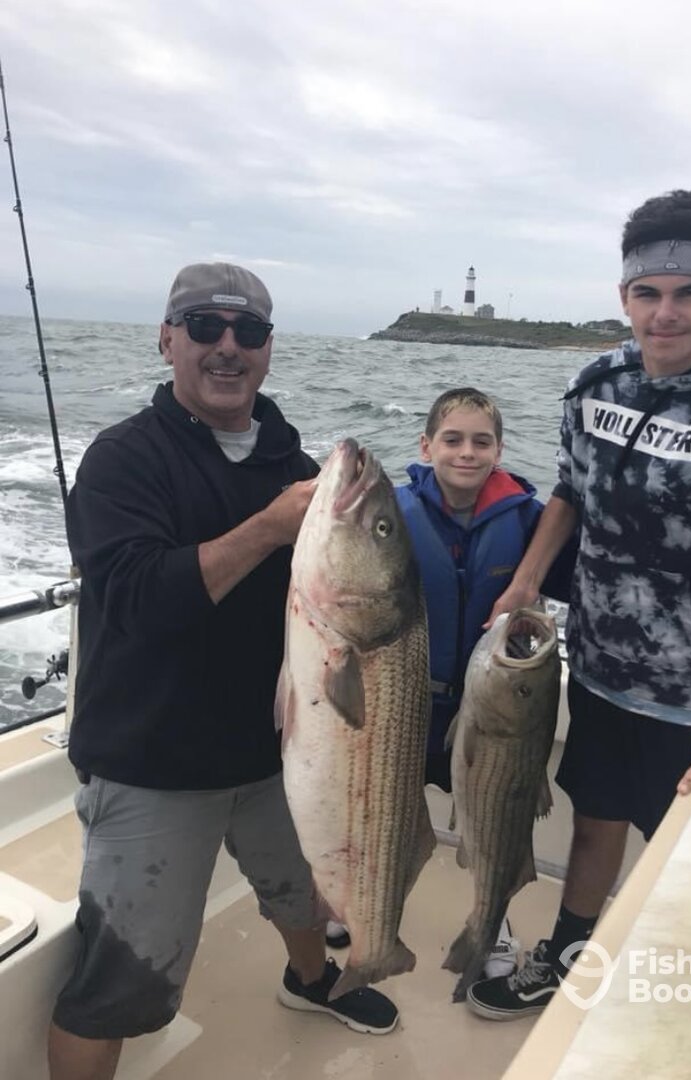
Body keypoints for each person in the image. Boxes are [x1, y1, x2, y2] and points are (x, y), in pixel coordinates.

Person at [48, 263, 399, 1080]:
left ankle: (310, 980)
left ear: (269, 348)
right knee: (118, 985)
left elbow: (352, 612)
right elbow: (134, 601)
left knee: (299, 891)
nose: (228, 347)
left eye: (249, 331)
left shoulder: (297, 466)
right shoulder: (123, 460)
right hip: (153, 762)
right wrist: (269, 528)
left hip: (275, 751)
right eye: (205, 327)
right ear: (167, 340)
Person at [466, 190, 691, 1021]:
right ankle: (568, 956)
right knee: (593, 822)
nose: (665, 313)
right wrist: (525, 580)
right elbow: (568, 493)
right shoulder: (596, 382)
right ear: (623, 296)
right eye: (647, 292)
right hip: (598, 670)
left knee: (689, 859)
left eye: (689, 293)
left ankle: (685, 1000)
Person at [383, 387, 573, 978]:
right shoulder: (394, 515)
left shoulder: (527, 519)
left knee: (496, 823)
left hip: (492, 713)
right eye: (453, 439)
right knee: (391, 818)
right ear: (426, 446)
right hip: (408, 702)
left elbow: (570, 580)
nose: (467, 452)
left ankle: (491, 921)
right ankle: (372, 909)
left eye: (481, 442)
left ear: (500, 450)